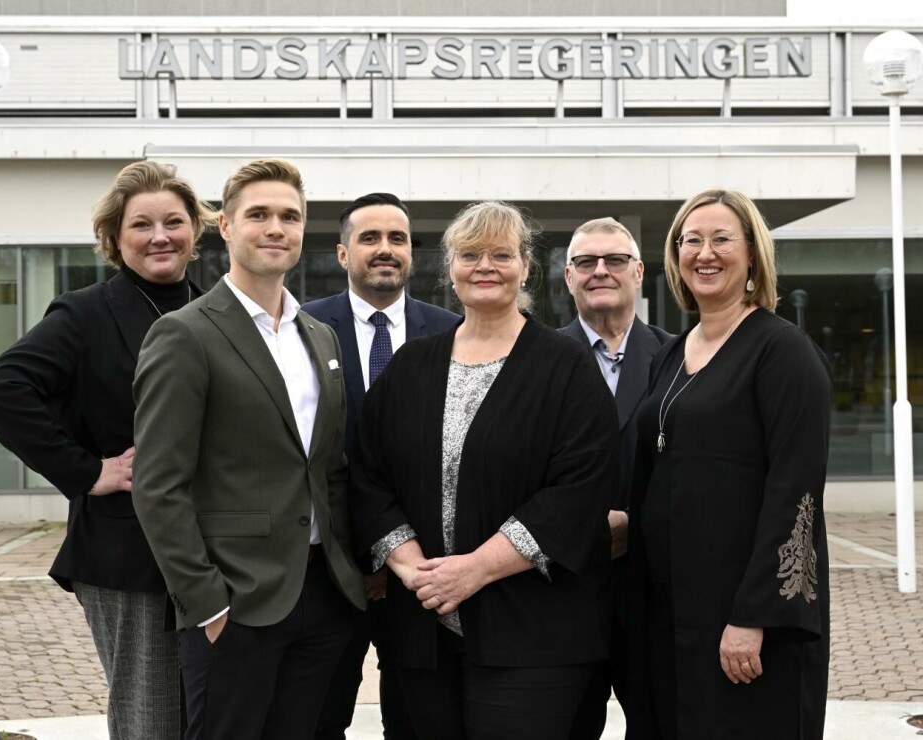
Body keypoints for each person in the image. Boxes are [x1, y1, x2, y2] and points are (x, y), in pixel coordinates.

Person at [350, 201, 621, 740]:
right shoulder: (411, 365)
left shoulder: (565, 366)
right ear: (450, 267)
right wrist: (411, 568)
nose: (485, 266)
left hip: (533, 634)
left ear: (525, 265)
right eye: (470, 254)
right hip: (420, 629)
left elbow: (579, 488)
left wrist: (475, 568)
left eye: (501, 254)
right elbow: (367, 472)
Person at [0, 160, 213, 739]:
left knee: (208, 715)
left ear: (195, 233)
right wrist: (87, 471)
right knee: (150, 719)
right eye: (142, 224)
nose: (160, 236)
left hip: (213, 550)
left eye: (174, 222)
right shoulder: (85, 314)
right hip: (126, 551)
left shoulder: (215, 312)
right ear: (115, 237)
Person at [131, 158, 366, 740]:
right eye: (258, 214)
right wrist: (207, 604)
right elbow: (159, 486)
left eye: (290, 216)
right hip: (236, 603)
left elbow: (328, 466)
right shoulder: (185, 334)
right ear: (226, 227)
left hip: (323, 596)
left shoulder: (320, 335)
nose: (275, 228)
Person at [626, 188, 831, 740]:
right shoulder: (672, 351)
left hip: (744, 617)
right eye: (691, 240)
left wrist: (754, 616)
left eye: (721, 239)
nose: (704, 253)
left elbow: (796, 493)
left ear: (752, 255)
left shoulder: (782, 351)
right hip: (670, 612)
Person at [302, 192, 459, 740]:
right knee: (318, 717)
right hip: (330, 573)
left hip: (424, 575)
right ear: (343, 254)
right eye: (369, 238)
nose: (385, 249)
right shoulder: (300, 328)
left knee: (419, 720)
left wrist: (404, 558)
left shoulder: (453, 330)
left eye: (397, 239)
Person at [559, 218, 672, 740]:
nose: (600, 271)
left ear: (639, 271)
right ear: (567, 277)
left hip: (652, 590)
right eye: (586, 262)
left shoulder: (682, 358)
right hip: (561, 590)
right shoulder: (534, 358)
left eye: (615, 260)